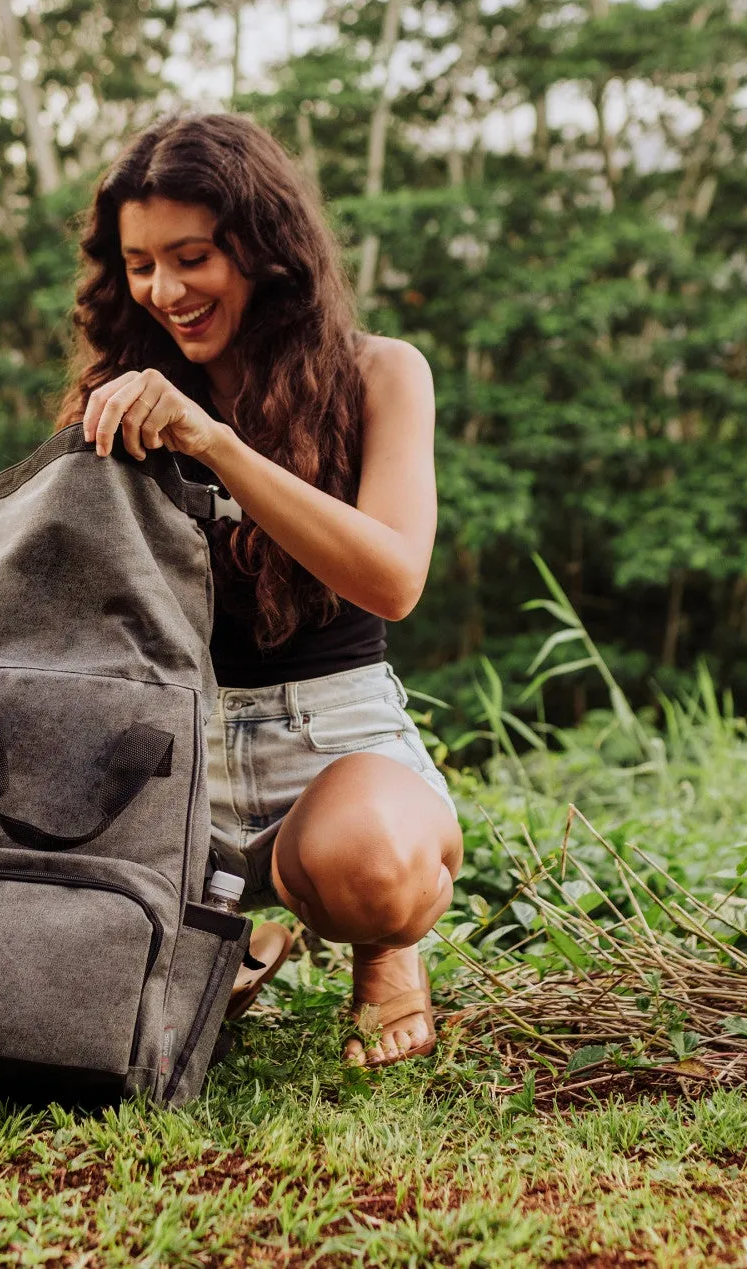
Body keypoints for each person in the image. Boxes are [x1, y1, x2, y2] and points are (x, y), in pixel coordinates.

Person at [53, 113, 461, 1068]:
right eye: (141, 265)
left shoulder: (381, 374)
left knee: (373, 872)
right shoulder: (121, 389)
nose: (167, 291)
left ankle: (382, 949)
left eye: (193, 257)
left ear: (265, 248)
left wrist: (216, 444)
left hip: (334, 742)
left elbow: (395, 578)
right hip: (171, 742)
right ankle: (236, 921)